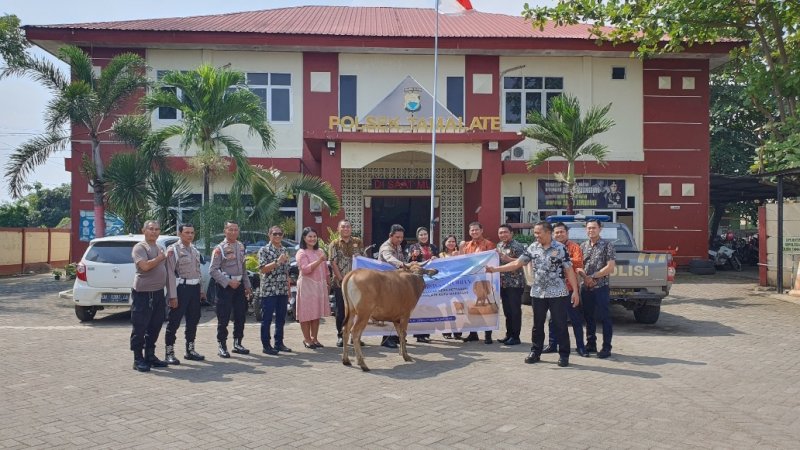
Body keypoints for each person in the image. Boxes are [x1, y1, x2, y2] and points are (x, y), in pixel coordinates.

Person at [486, 221, 580, 367]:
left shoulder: (560, 248)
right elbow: (517, 263)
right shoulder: (533, 247)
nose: (536, 236)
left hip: (558, 292)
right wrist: (495, 269)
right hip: (538, 293)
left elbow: (569, 270)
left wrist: (575, 291)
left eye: (538, 233)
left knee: (560, 324)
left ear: (548, 233)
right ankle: (535, 352)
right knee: (537, 325)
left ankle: (564, 355)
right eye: (534, 233)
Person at [130, 220, 172, 372]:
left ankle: (150, 355)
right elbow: (145, 266)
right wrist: (161, 257)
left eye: (157, 229)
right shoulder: (139, 248)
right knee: (140, 326)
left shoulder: (160, 247)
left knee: (155, 326)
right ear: (144, 230)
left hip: (158, 293)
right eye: (151, 229)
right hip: (143, 294)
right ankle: (138, 358)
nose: (154, 232)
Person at [164, 223, 206, 365]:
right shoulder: (173, 250)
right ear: (180, 234)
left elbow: (198, 270)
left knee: (193, 320)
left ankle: (190, 350)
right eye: (187, 232)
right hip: (181, 289)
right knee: (174, 321)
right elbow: (170, 274)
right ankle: (169, 352)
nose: (190, 235)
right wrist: (172, 295)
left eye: (192, 232)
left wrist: (200, 289)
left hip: (194, 289)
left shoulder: (194, 249)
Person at [545, 222, 589, 357]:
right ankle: (552, 345)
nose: (559, 234)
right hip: (553, 288)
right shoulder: (549, 247)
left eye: (561, 232)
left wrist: (559, 261)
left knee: (575, 319)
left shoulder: (574, 247)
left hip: (570, 288)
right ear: (553, 234)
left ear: (567, 233)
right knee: (553, 319)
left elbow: (576, 263)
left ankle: (581, 347)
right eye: (556, 232)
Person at [209, 220, 252, 358]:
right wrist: (228, 282)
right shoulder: (219, 248)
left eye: (236, 230)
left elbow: (244, 269)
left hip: (239, 286)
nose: (233, 232)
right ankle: (222, 345)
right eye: (230, 229)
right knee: (224, 317)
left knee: (240, 315)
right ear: (225, 231)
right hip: (225, 287)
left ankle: (238, 343)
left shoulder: (240, 246)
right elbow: (213, 270)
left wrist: (247, 286)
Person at [580, 219, 617, 358]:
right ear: (586, 230)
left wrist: (594, 277)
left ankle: (606, 347)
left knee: (605, 318)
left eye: (594, 228)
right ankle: (591, 344)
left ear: (600, 229)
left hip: (601, 287)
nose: (591, 230)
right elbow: (579, 265)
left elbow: (610, 267)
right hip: (586, 287)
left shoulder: (608, 245)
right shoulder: (582, 246)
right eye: (589, 228)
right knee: (589, 317)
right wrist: (585, 277)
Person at [257, 225, 293, 355]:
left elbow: (287, 271)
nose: (277, 236)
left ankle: (279, 343)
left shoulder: (284, 250)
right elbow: (262, 269)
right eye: (275, 234)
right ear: (269, 235)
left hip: (282, 289)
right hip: (269, 290)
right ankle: (266, 345)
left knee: (281, 318)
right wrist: (277, 262)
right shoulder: (264, 250)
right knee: (267, 318)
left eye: (280, 234)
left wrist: (288, 288)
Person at [460, 221, 495, 344]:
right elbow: (462, 261)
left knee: (487, 306)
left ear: (482, 230)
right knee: (472, 305)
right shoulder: (467, 246)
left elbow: (492, 261)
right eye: (472, 230)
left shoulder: (489, 244)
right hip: (471, 281)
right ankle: (473, 333)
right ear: (469, 232)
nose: (474, 232)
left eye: (476, 230)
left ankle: (488, 335)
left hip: (485, 279)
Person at [329, 219, 363, 348]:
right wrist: (342, 279)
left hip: (357, 283)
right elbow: (333, 262)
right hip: (341, 283)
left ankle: (356, 335)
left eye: (348, 227)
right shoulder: (334, 244)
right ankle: (341, 335)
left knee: (358, 310)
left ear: (351, 229)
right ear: (338, 229)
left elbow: (363, 259)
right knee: (341, 311)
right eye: (343, 227)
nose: (346, 229)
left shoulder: (358, 242)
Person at [296, 227, 330, 349]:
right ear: (304, 238)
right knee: (306, 313)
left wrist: (328, 282)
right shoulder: (301, 252)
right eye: (310, 236)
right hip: (306, 285)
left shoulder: (320, 251)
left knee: (316, 313)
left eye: (314, 236)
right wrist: (319, 260)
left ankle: (315, 338)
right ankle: (307, 339)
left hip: (319, 286)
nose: (312, 239)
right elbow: (305, 270)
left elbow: (325, 270)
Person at [406, 226, 438, 343]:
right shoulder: (413, 247)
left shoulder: (433, 247)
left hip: (431, 279)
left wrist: (436, 257)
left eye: (425, 234)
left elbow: (440, 263)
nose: (423, 236)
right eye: (421, 235)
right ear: (417, 236)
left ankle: (426, 332)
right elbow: (409, 262)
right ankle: (419, 334)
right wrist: (413, 256)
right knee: (419, 305)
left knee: (430, 304)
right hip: (418, 280)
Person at [495, 224, 525, 346]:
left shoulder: (517, 246)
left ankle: (516, 336)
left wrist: (509, 260)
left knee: (515, 311)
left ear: (511, 233)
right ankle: (509, 335)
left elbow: (524, 262)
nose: (503, 235)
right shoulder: (499, 246)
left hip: (515, 283)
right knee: (507, 311)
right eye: (500, 233)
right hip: (503, 283)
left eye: (505, 232)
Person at [377, 224, 406, 348]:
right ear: (390, 235)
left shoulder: (398, 246)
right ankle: (386, 339)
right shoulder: (385, 247)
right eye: (397, 237)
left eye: (401, 237)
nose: (400, 240)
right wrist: (402, 264)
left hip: (396, 284)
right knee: (389, 312)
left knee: (397, 311)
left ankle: (395, 337)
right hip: (385, 284)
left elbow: (402, 258)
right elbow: (389, 258)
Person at [439, 234, 462, 340]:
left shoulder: (461, 254)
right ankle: (447, 331)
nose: (451, 243)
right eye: (449, 241)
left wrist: (458, 255)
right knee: (447, 308)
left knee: (458, 308)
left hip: (458, 285)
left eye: (453, 241)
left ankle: (458, 331)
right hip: (446, 286)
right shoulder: (441, 255)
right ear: (445, 243)